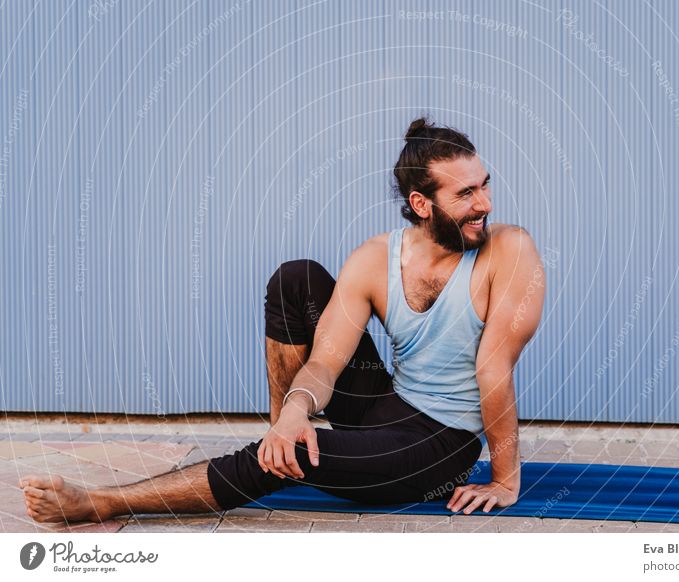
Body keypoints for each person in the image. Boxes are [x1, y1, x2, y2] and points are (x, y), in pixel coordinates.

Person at [19, 116, 545, 523]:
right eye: (466, 194)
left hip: (438, 446)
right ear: (420, 203)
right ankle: (282, 438)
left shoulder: (509, 251)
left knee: (287, 455)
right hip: (387, 409)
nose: (485, 203)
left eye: (484, 185)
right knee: (298, 279)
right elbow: (324, 362)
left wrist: (504, 480)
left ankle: (105, 504)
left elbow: (493, 370)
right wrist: (296, 409)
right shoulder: (374, 259)